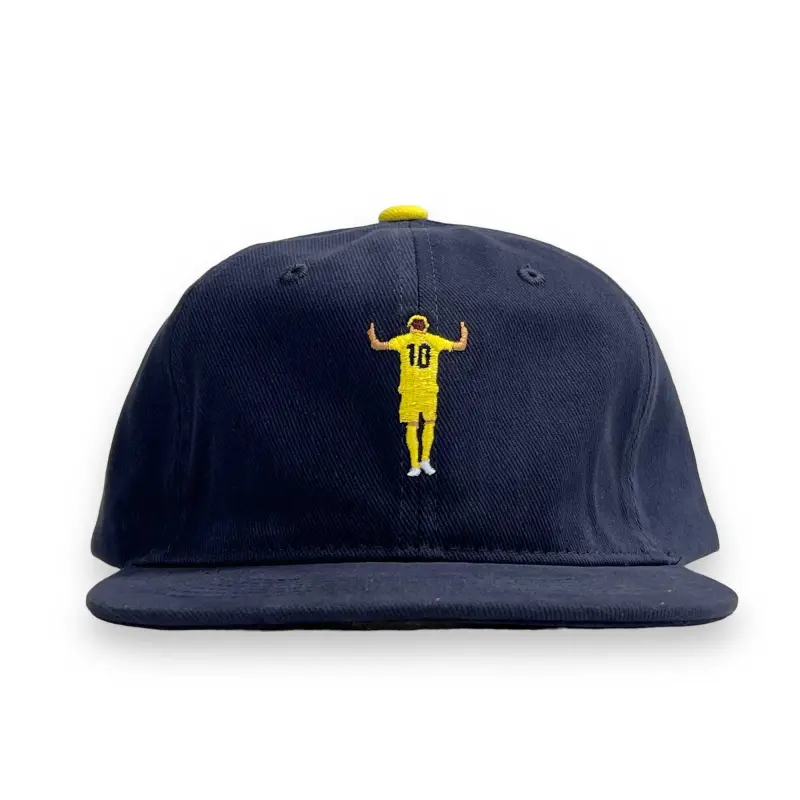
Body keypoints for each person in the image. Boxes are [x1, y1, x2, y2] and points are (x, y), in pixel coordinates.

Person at [368, 315, 468, 476]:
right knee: (429, 423)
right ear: (426, 327)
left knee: (412, 426)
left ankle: (415, 464)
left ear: (410, 327)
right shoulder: (434, 340)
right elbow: (461, 346)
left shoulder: (404, 340)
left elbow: (377, 345)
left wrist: (371, 333)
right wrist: (463, 330)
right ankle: (425, 459)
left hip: (410, 392)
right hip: (428, 391)